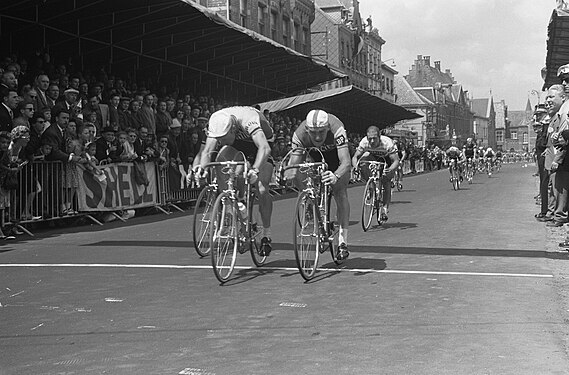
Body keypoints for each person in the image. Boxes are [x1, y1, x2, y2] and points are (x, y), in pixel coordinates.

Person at [192, 106, 274, 256]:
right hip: (237, 144)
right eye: (218, 138)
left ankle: (266, 234)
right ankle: (231, 203)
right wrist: (201, 168)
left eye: (222, 137)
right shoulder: (217, 120)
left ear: (232, 130)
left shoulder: (249, 119)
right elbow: (207, 151)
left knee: (262, 188)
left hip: (260, 144)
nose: (220, 141)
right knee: (219, 160)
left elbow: (265, 148)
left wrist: (255, 170)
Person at [285, 109, 351, 260]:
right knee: (297, 172)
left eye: (321, 132)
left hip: (336, 157)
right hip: (314, 156)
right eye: (313, 132)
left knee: (340, 192)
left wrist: (336, 175)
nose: (317, 136)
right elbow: (294, 165)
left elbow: (346, 162)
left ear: (327, 128)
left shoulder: (337, 128)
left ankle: (342, 241)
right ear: (307, 129)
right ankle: (310, 201)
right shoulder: (299, 134)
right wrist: (290, 174)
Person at [351, 126, 399, 222]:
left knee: (386, 180)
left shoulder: (387, 143)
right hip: (373, 157)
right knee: (363, 163)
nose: (372, 141)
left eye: (374, 138)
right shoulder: (364, 142)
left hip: (387, 158)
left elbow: (396, 161)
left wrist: (390, 169)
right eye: (370, 138)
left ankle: (385, 209)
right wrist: (355, 166)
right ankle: (371, 186)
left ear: (379, 136)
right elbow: (355, 157)